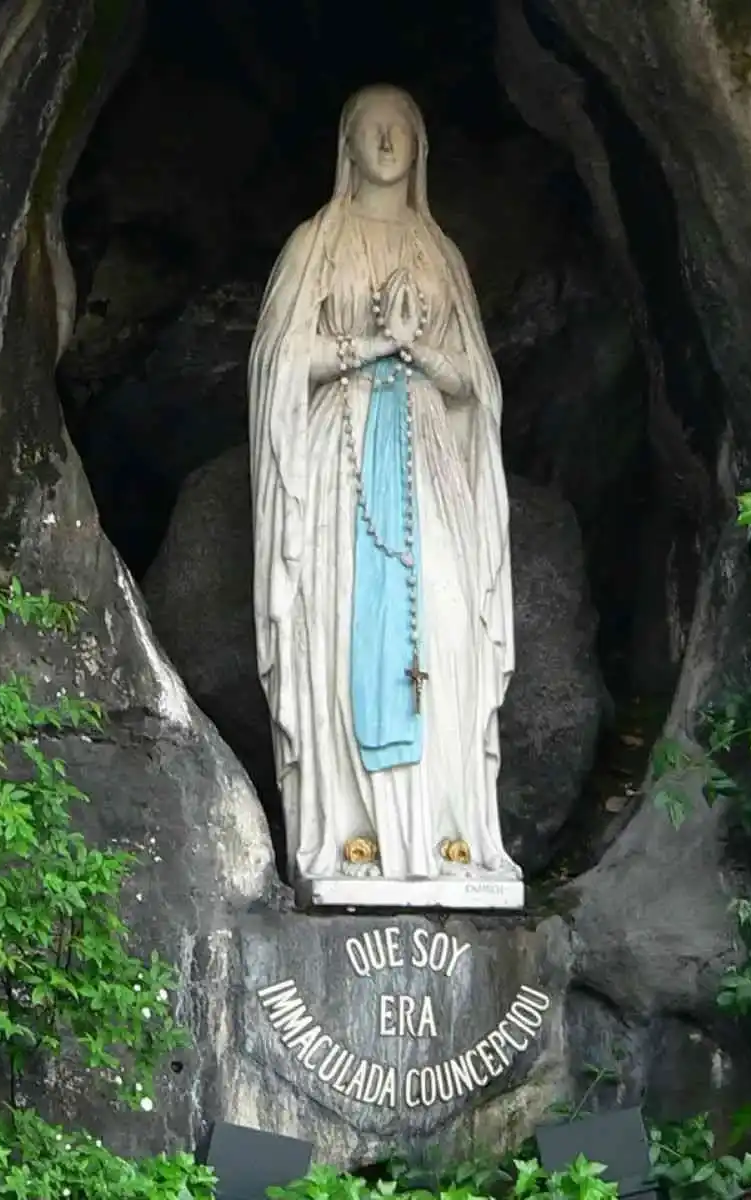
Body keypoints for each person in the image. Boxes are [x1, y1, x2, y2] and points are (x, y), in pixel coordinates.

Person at [248, 84, 520, 889]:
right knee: (343, 629)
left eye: (402, 127)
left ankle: (448, 837)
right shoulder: (314, 244)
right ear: (347, 146)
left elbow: (481, 384)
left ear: (422, 145)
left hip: (430, 462)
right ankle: (354, 836)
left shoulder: (441, 256)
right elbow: (274, 366)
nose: (388, 140)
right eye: (372, 128)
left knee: (443, 625)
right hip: (341, 466)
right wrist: (366, 348)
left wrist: (425, 356)